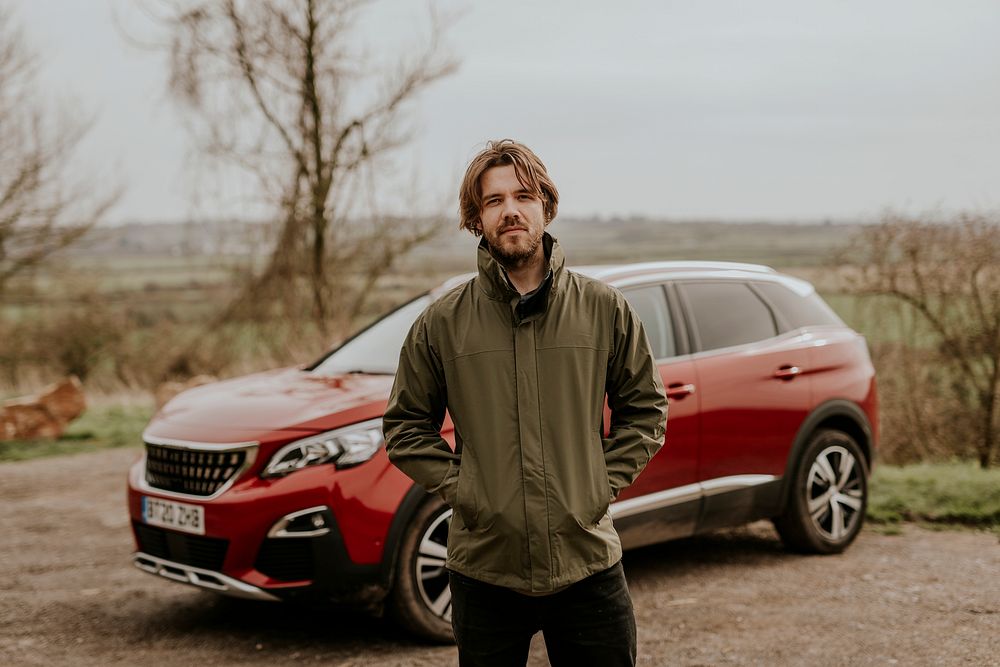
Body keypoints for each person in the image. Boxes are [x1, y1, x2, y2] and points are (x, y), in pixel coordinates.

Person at [383, 139, 667, 666]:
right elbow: (404, 428)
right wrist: (466, 489)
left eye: (523, 195)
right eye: (493, 201)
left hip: (588, 566)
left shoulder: (604, 309)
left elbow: (646, 411)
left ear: (546, 206)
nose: (510, 210)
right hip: (484, 570)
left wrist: (595, 485)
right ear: (477, 220)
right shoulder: (443, 323)